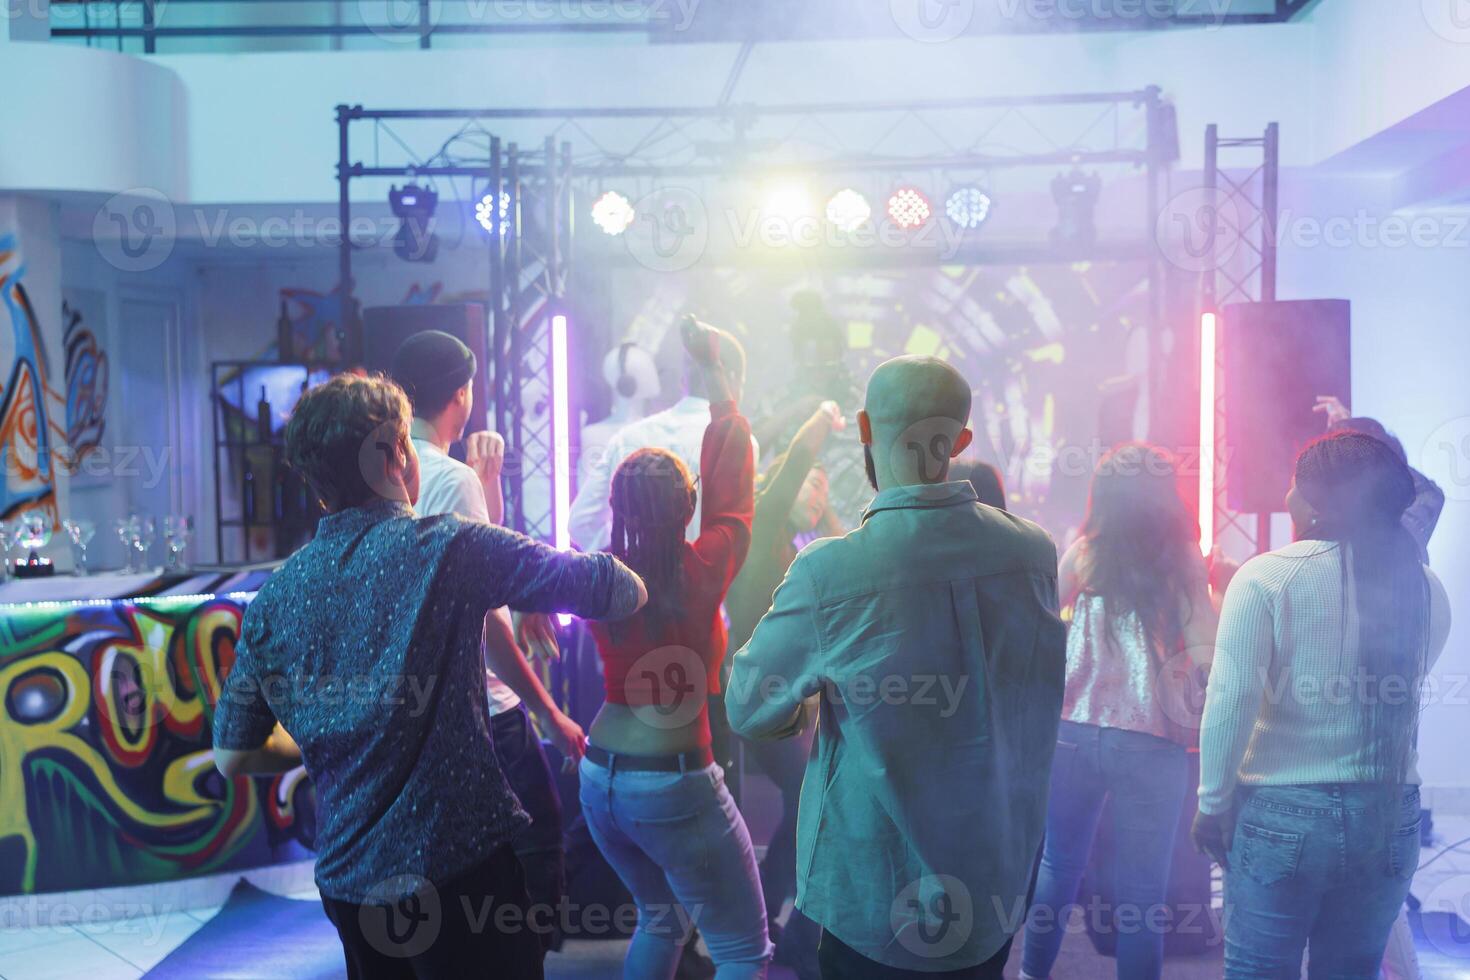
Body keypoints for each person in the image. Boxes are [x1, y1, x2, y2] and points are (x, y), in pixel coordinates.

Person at [211, 373, 646, 979]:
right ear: (395, 456)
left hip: (351, 882)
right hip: (461, 871)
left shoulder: (275, 599)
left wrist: (324, 739)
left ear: (317, 483)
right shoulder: (450, 548)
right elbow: (616, 590)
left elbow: (231, 756)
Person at [728, 355, 1067, 978]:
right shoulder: (1034, 552)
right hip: (993, 881)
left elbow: (748, 706)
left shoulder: (831, 571)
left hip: (873, 895)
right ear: (960, 441)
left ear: (863, 428)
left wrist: (812, 699)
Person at [1192, 431, 1452, 977]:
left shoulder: (1266, 577)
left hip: (1283, 814)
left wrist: (1212, 800)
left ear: (1311, 499)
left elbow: (1232, 696)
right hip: (1387, 811)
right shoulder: (1425, 588)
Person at [578, 317, 772, 979]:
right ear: (686, 504)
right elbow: (735, 501)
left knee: (660, 922)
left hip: (599, 780)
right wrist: (723, 396)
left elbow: (507, 562)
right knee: (746, 949)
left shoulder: (596, 577)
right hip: (674, 784)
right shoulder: (702, 568)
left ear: (615, 507)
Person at [390, 329, 580, 953]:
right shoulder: (450, 478)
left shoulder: (391, 476)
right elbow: (486, 615)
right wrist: (550, 713)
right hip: (484, 706)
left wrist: (487, 484)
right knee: (536, 840)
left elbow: (466, 570)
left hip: (414, 708)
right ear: (462, 395)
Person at [1019, 443, 1217, 980]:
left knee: (1059, 866)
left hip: (1072, 732)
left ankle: (1032, 975)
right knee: (1142, 891)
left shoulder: (1085, 552)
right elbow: (1205, 649)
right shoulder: (1182, 559)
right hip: (1152, 740)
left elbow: (1034, 620)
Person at [724, 399, 845, 980]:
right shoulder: (765, 522)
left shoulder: (822, 542)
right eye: (810, 483)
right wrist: (822, 416)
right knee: (807, 797)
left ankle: (778, 924)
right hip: (752, 689)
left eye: (825, 488)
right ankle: (774, 923)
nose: (816, 493)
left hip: (794, 696)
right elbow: (796, 460)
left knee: (809, 798)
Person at [569, 325, 754, 553]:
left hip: (629, 584)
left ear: (683, 381)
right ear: (732, 379)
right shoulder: (739, 445)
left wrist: (621, 558)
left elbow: (580, 522)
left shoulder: (627, 438)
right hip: (706, 587)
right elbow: (738, 537)